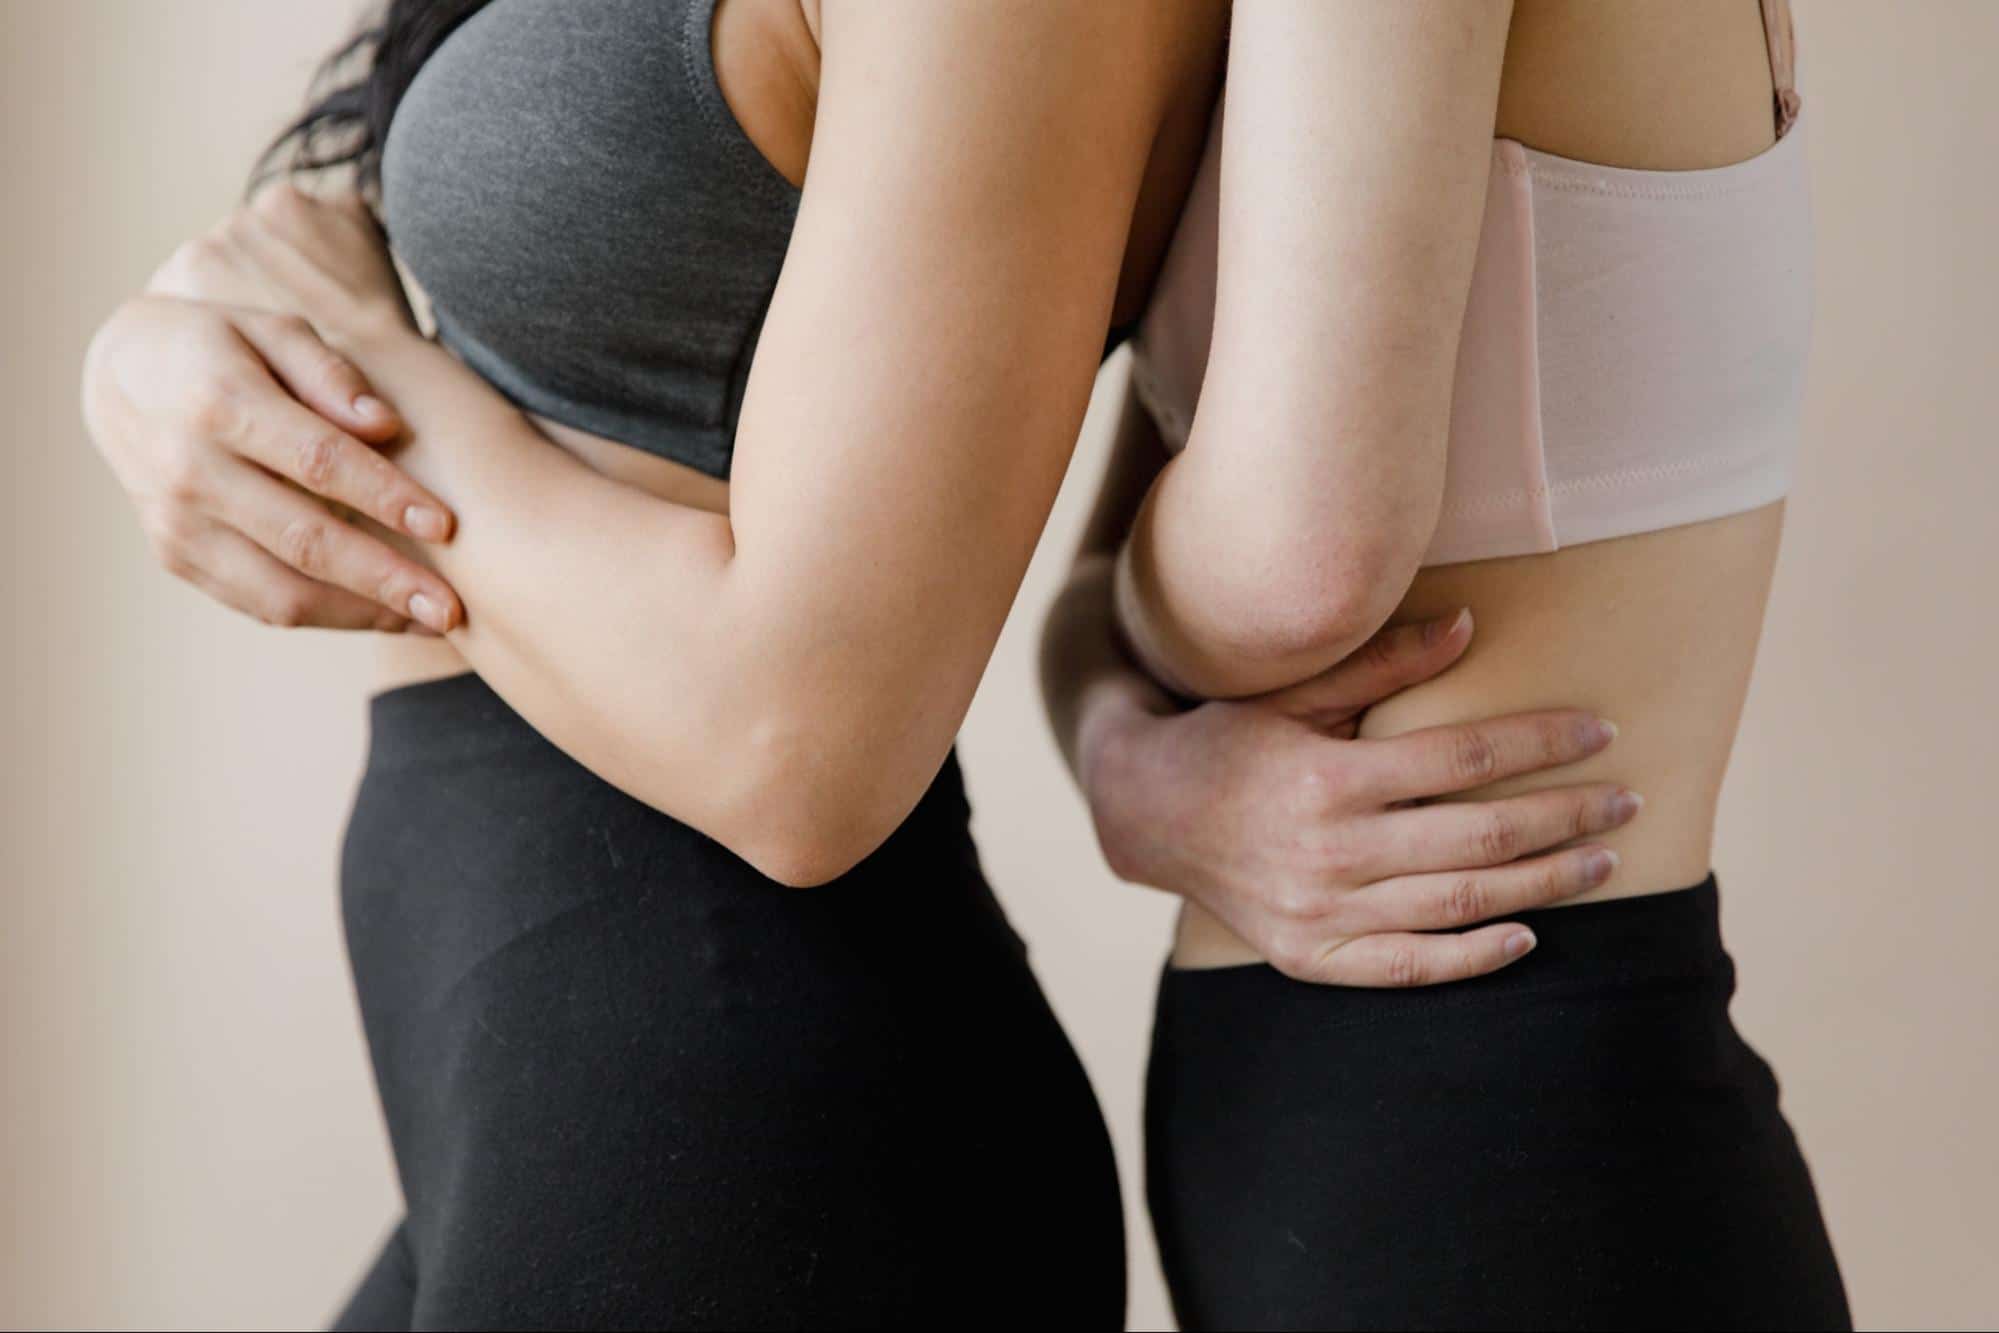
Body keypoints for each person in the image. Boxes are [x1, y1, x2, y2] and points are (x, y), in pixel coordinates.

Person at [83, 0, 1643, 1327]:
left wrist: (382, 404)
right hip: (571, 1083)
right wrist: (150, 368)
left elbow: (799, 748)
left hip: (734, 1121)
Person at [1041, 1, 1850, 1327]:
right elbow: (1114, 584)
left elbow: (1300, 559)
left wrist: (1129, 653)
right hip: (1416, 1140)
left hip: (1506, 1144)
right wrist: (1126, 756)